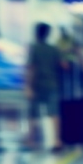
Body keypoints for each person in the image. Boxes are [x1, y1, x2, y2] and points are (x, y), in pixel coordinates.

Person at [26, 22, 62, 152]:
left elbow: (31, 68)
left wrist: (28, 86)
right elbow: (62, 65)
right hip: (52, 84)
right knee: (54, 113)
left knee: (33, 114)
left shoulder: (34, 48)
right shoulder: (54, 49)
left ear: (36, 33)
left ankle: (31, 141)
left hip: (37, 85)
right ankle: (57, 140)